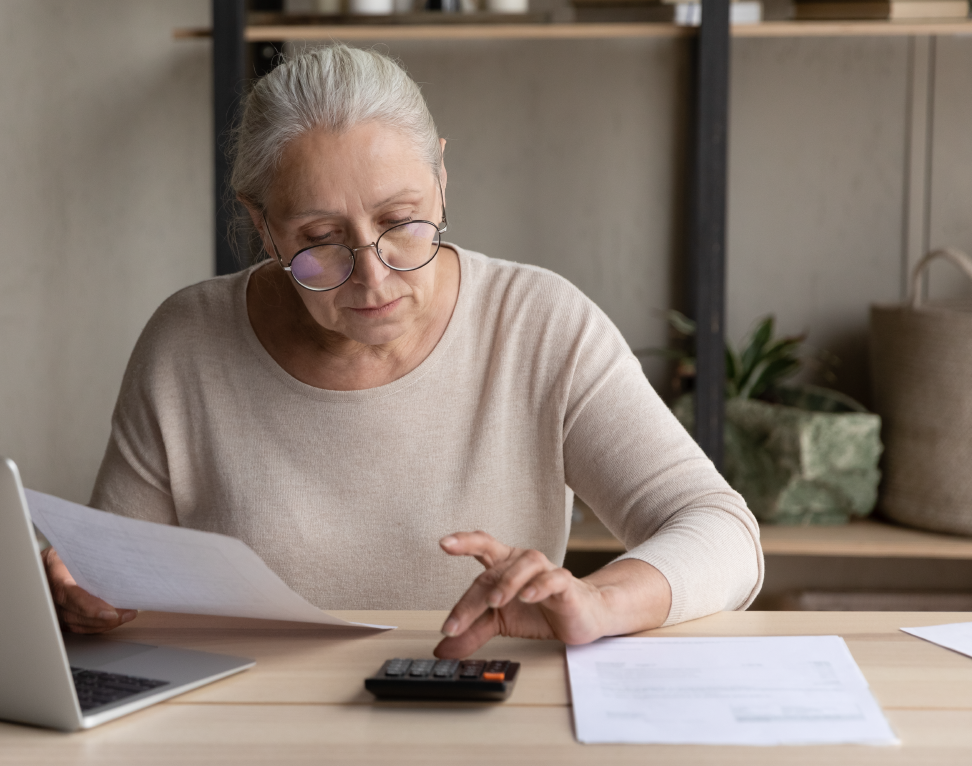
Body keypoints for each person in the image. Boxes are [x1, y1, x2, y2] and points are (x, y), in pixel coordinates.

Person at [43, 44, 762, 659]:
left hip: (483, 719)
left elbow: (722, 533)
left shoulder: (539, 325)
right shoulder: (187, 344)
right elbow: (110, 585)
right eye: (321, 241)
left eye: (402, 221)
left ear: (441, 180)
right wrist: (81, 602)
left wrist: (599, 602)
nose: (374, 275)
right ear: (263, 227)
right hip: (256, 729)